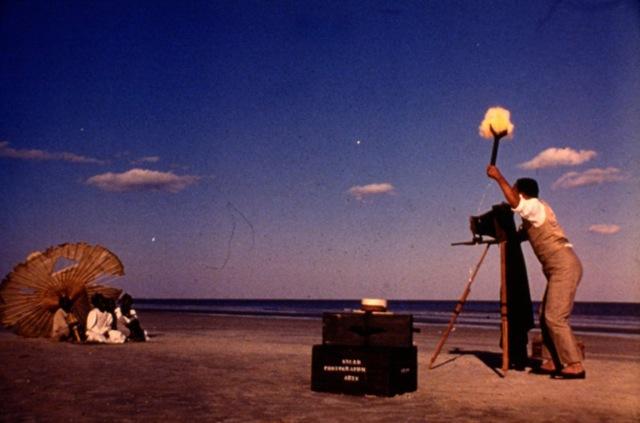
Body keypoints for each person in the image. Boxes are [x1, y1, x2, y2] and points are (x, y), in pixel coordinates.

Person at [487, 164, 585, 379]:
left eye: (514, 190)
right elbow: (520, 236)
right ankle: (554, 360)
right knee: (544, 315)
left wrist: (498, 176)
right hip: (558, 267)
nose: (511, 194)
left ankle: (574, 364)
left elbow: (515, 202)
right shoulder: (533, 215)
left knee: (555, 316)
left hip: (563, 265)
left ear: (522, 193)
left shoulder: (533, 206)